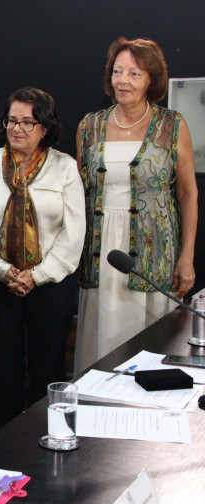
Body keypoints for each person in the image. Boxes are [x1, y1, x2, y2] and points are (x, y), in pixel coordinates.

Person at [74, 38, 198, 373]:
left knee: (150, 346)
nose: (123, 80)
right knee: (100, 342)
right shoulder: (90, 126)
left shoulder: (172, 125)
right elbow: (78, 193)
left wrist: (187, 257)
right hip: (102, 253)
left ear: (151, 80)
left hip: (154, 253)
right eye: (118, 71)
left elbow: (188, 194)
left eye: (134, 73)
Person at [0, 88, 85, 435]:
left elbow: (73, 234)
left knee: (47, 368)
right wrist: (2, 269)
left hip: (51, 284)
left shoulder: (64, 167)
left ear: (45, 128)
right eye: (12, 121)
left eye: (27, 122)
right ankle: (0, 443)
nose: (17, 128)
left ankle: (47, 439)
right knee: (2, 369)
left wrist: (37, 275)